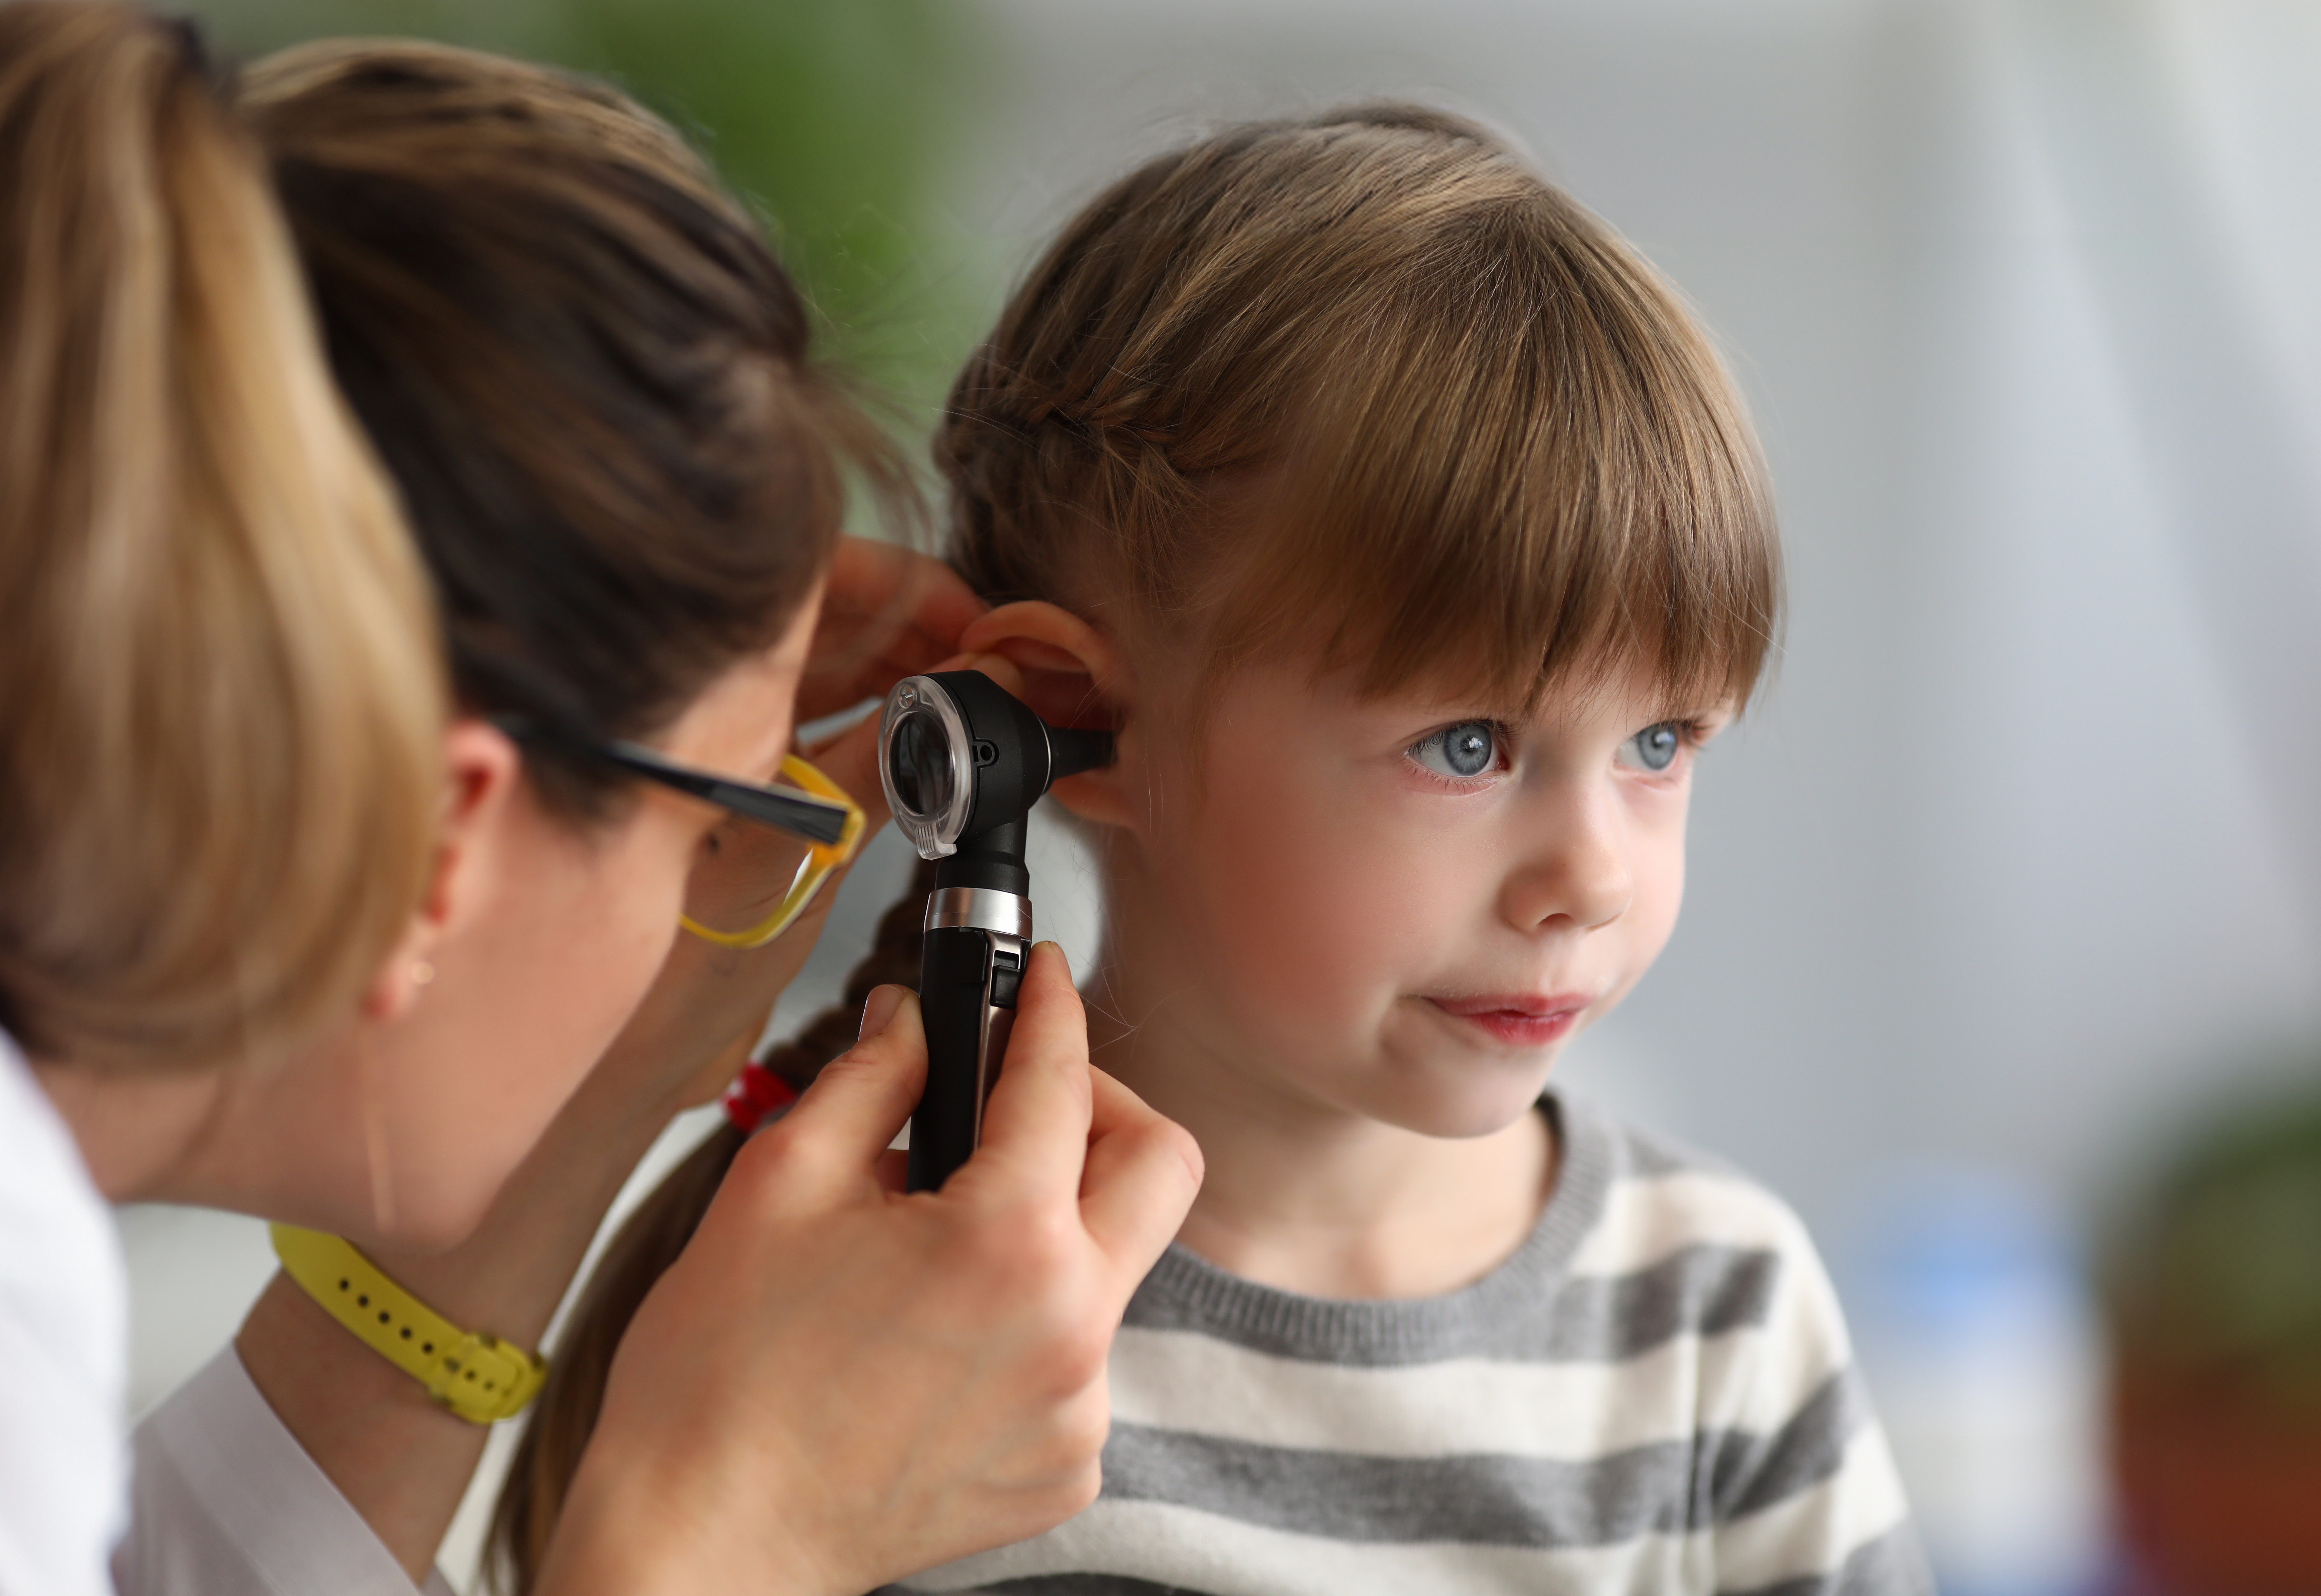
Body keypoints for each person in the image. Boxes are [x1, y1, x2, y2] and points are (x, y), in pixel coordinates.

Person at [0, 0, 1198, 1596]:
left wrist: (566, 1132)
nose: (725, 893)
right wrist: (731, 1525)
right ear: (446, 833)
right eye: (720, 815)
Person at [496, 105, 1935, 1594]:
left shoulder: (1715, 1314)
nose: (1594, 877)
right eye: (1466, 743)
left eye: (1660, 743)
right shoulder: (889, 1322)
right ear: (1072, 715)